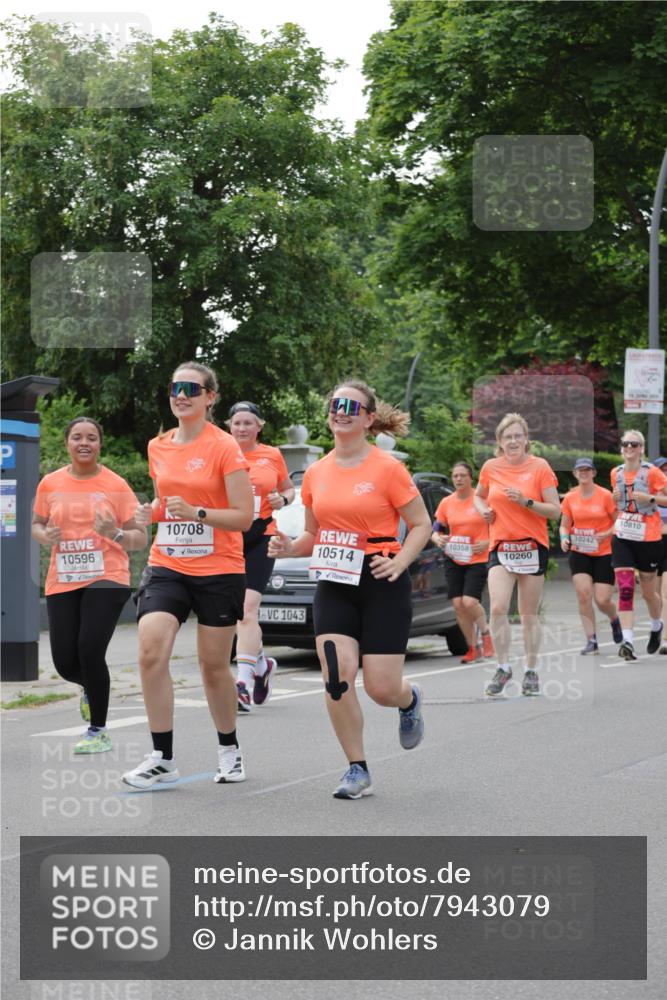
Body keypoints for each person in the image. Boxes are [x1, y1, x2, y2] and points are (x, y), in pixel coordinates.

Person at [269, 380, 432, 800]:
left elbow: (421, 524)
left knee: (381, 688)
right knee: (336, 676)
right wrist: (289, 547)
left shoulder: (387, 468)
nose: (340, 411)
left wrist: (400, 561)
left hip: (380, 578)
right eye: (334, 403)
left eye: (350, 406)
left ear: (368, 418)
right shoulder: (317, 472)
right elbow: (311, 534)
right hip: (334, 580)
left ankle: (408, 699)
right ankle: (356, 769)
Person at [121, 362, 253, 789]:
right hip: (169, 564)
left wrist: (197, 513)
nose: (182, 395)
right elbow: (165, 503)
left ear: (210, 397)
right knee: (149, 652)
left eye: (191, 389)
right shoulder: (158, 446)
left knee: (213, 667)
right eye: (176, 388)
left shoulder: (225, 447)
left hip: (219, 569)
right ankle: (162, 757)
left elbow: (243, 517)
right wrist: (150, 512)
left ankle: (230, 750)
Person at [32, 417, 147, 753]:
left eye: (92, 438)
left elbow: (140, 538)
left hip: (107, 576)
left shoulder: (116, 484)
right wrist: (44, 534)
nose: (85, 443)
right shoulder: (50, 483)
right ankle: (91, 687)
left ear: (100, 444)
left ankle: (98, 730)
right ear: (67, 443)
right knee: (65, 662)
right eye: (78, 437)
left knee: (89, 648)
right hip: (63, 578)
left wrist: (114, 532)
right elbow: (36, 525)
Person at [473, 413, 561, 697]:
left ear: (526, 440)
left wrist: (526, 502)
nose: (513, 441)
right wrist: (481, 509)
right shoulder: (491, 467)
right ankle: (503, 667)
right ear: (500, 441)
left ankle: (531, 671)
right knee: (497, 607)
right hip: (501, 545)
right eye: (507, 436)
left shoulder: (540, 467)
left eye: (517, 436)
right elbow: (478, 495)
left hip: (532, 546)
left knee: (528, 614)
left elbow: (556, 510)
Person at [227, 400, 295, 710]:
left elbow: (289, 488)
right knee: (235, 612)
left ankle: (242, 683)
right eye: (237, 422)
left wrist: (283, 498)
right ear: (229, 425)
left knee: (248, 608)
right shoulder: (221, 453)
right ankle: (261, 664)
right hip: (228, 537)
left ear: (259, 426)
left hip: (262, 536)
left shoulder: (272, 455)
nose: (242, 428)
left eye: (247, 423)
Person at [610, 430, 667, 661]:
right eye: (626, 444)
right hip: (623, 535)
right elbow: (618, 503)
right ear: (622, 447)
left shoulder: (652, 473)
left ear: (641, 448)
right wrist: (615, 499)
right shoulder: (616, 473)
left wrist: (650, 498)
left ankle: (656, 626)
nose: (629, 448)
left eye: (634, 444)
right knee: (625, 588)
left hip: (648, 538)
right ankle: (628, 641)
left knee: (648, 593)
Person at [431, 461, 493, 663]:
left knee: (470, 601)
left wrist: (488, 542)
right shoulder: (446, 502)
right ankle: (472, 647)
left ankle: (485, 633)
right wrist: (437, 538)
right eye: (455, 475)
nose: (458, 479)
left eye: (462, 476)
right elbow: (436, 528)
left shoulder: (482, 500)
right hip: (455, 556)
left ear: (470, 478)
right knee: (458, 604)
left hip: (478, 557)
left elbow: (500, 525)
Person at [560, 457, 622, 654]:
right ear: (575, 473)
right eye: (580, 470)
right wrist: (563, 538)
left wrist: (608, 532)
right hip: (579, 551)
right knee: (583, 594)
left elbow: (618, 521)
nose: (584, 473)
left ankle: (614, 619)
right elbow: (564, 524)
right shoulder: (570, 498)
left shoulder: (605, 496)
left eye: (588, 469)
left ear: (594, 473)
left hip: (604, 552)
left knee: (602, 600)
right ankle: (591, 640)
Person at [653, 457, 667, 654]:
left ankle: (665, 639)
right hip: (651, 545)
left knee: (665, 592)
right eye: (661, 470)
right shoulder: (644, 496)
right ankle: (656, 625)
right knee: (653, 595)